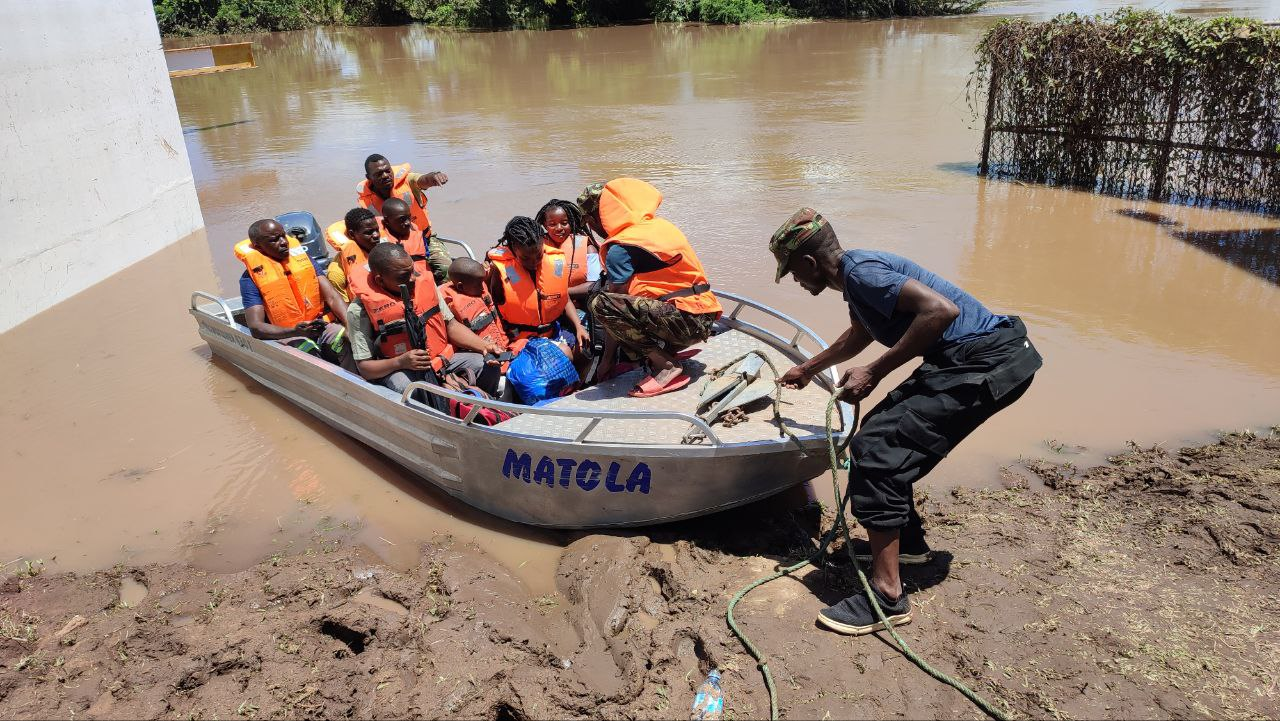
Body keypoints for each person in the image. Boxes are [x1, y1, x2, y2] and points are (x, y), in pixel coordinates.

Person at [770, 207, 1042, 636]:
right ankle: (909, 548)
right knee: (881, 437)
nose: (797, 283)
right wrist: (809, 367)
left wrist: (874, 372)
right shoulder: (858, 279)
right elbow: (859, 334)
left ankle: (887, 595)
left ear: (808, 263)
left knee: (877, 450)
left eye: (793, 273)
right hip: (972, 359)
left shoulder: (862, 274)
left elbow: (940, 312)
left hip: (986, 362)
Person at [576, 178, 721, 398]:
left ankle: (667, 366)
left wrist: (606, 362)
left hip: (686, 324)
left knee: (601, 303)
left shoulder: (620, 247)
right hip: (704, 318)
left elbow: (614, 305)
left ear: (598, 217)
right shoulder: (656, 227)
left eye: (589, 220)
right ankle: (666, 353)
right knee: (628, 302)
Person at [346, 243, 501, 398]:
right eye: (403, 276)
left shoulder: (423, 285)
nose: (413, 278)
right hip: (400, 369)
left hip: (441, 360)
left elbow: (451, 325)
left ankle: (485, 410)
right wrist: (400, 362)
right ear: (380, 281)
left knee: (488, 364)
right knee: (407, 389)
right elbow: (365, 368)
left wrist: (485, 346)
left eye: (412, 270)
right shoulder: (359, 311)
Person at [235, 219, 352, 367]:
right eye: (274, 240)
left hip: (319, 325)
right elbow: (256, 327)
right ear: (258, 246)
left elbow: (333, 297)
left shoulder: (305, 260)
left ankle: (360, 381)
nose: (284, 242)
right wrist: (294, 332)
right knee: (306, 352)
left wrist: (350, 326)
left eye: (283, 236)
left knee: (344, 337)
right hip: (288, 334)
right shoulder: (249, 280)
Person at [486, 216, 590, 355]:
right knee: (564, 355)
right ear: (513, 249)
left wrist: (579, 326)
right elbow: (494, 310)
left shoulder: (554, 262)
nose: (533, 262)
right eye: (525, 258)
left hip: (552, 331)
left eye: (539, 256)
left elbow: (563, 298)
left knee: (585, 348)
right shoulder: (499, 271)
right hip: (521, 341)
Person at [536, 199, 600, 301]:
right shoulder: (536, 247)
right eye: (552, 224)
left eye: (564, 223)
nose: (559, 228)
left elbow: (594, 285)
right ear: (544, 225)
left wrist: (557, 293)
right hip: (547, 307)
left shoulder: (589, 249)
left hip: (580, 306)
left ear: (572, 223)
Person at [441, 258, 508, 354]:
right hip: (481, 352)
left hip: (503, 345)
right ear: (461, 286)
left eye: (482, 282)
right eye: (478, 285)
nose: (482, 288)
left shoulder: (477, 284)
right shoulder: (448, 302)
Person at [382, 197, 451, 284]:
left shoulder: (415, 230)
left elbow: (425, 254)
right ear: (387, 221)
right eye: (402, 219)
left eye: (409, 218)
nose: (408, 223)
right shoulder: (381, 241)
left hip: (425, 279)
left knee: (448, 272)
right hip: (403, 284)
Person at [325, 208, 382, 303]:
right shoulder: (336, 273)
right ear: (352, 234)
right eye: (368, 232)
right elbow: (344, 307)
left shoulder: (387, 252)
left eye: (377, 230)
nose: (376, 235)